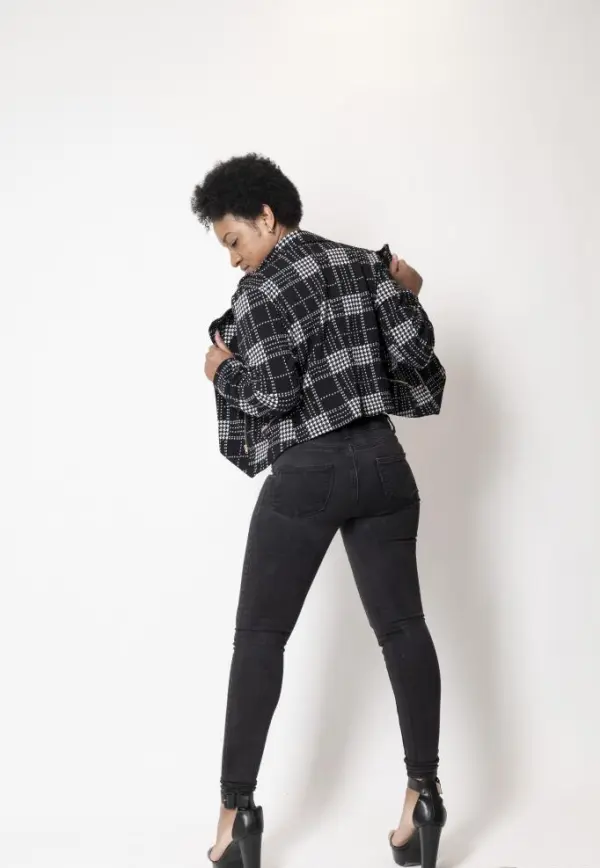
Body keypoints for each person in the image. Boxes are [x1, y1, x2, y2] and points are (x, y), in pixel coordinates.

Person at [190, 154, 447, 868]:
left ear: (266, 217)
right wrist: (409, 292)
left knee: (259, 639)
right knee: (404, 629)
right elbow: (415, 357)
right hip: (384, 465)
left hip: (309, 472)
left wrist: (221, 370)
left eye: (233, 240)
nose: (233, 259)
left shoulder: (264, 289)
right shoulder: (366, 264)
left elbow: (272, 394)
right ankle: (423, 795)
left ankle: (235, 814)